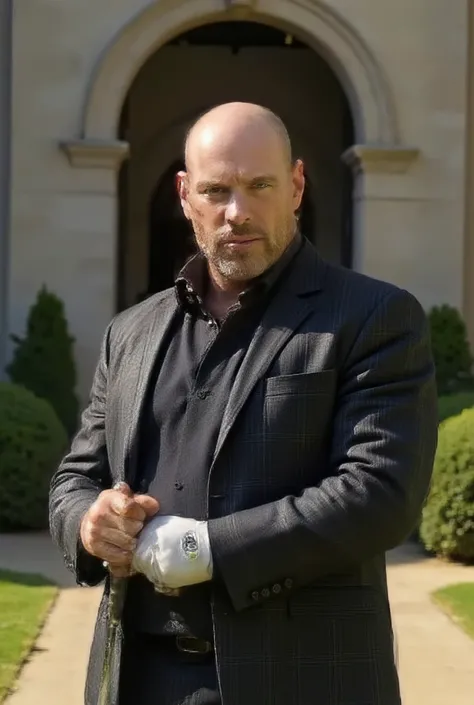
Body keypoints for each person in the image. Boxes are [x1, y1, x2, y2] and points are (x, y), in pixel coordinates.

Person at [49, 102, 438, 705]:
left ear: (297, 185)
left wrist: (206, 549)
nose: (238, 211)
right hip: (139, 679)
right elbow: (76, 478)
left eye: (260, 186)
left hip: (299, 681)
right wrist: (89, 524)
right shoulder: (129, 332)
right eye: (216, 189)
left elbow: (379, 492)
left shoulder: (372, 318)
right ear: (185, 195)